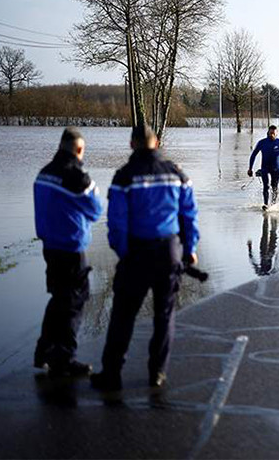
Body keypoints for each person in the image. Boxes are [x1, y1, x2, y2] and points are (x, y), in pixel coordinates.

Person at [90, 125, 199, 391]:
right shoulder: (177, 174)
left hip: (137, 253)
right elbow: (190, 215)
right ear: (157, 142)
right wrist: (189, 249)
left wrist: (123, 252)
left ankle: (112, 374)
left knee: (123, 315)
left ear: (131, 144)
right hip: (169, 252)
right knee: (164, 315)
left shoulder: (124, 176)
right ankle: (157, 372)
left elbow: (116, 222)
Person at [33, 127, 103, 377]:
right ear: (79, 149)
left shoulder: (43, 173)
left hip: (49, 246)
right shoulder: (76, 176)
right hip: (71, 247)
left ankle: (43, 352)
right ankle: (65, 357)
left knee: (58, 299)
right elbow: (96, 210)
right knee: (74, 301)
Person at [248, 125, 279, 209]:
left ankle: (273, 204)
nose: (272, 135)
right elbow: (253, 155)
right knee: (266, 186)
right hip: (265, 167)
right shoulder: (262, 142)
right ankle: (266, 204)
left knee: (274, 187)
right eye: (271, 133)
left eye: (274, 133)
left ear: (276, 134)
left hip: (277, 168)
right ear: (268, 133)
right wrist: (250, 168)